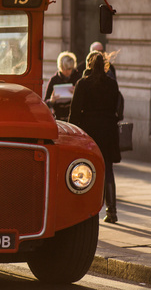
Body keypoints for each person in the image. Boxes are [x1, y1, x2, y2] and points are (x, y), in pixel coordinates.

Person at [69, 51, 121, 223]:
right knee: (108, 170)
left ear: (88, 65)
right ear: (104, 65)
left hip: (89, 130)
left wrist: (73, 133)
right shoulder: (112, 84)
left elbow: (75, 112)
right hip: (108, 130)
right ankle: (112, 211)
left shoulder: (83, 84)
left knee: (85, 169)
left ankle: (85, 211)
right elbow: (117, 107)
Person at [44, 51, 81, 121]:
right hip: (58, 117)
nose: (66, 71)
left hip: (74, 118)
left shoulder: (78, 79)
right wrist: (52, 101)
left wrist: (76, 94)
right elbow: (44, 103)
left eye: (69, 69)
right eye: (64, 69)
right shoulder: (54, 80)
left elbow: (85, 101)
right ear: (60, 67)